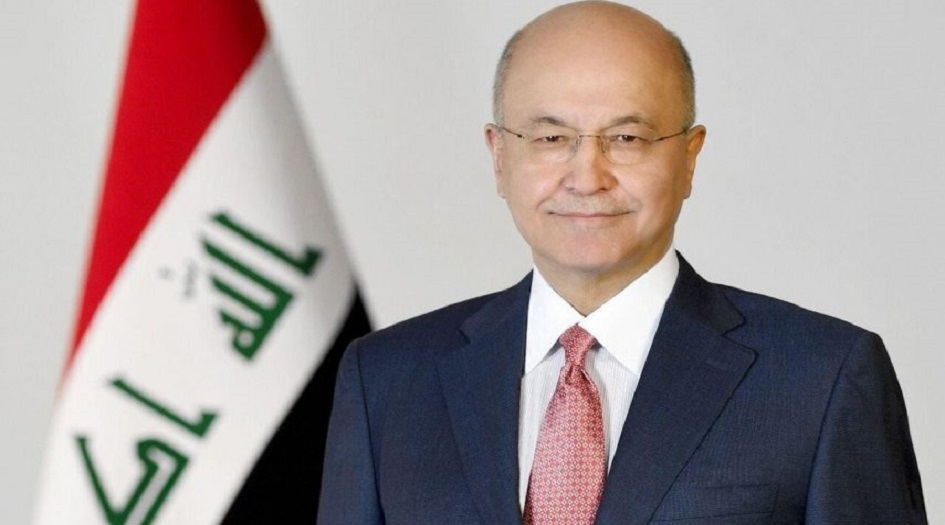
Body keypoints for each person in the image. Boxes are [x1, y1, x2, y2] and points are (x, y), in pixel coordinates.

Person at [317, 1, 927, 523]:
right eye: (551, 138)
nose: (587, 177)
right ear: (499, 156)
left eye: (627, 138)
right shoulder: (386, 381)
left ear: (689, 158)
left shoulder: (820, 379)